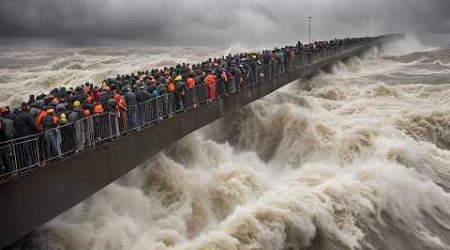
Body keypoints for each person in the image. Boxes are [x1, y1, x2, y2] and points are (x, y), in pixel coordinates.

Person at [14, 103, 39, 168]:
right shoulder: (28, 115)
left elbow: (16, 127)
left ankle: (28, 165)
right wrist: (38, 131)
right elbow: (33, 125)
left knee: (25, 151)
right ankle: (33, 163)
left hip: (21, 136)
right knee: (32, 150)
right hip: (29, 135)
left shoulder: (17, 117)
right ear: (26, 108)